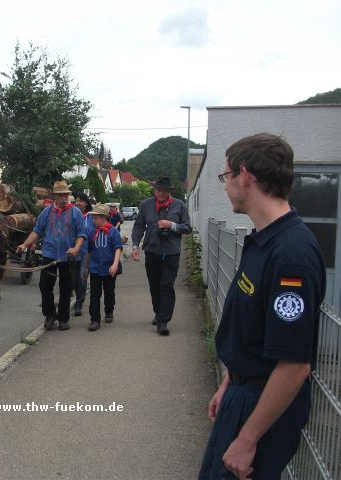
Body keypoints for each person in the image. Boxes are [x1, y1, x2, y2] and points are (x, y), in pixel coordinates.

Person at [199, 133, 325, 479]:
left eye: (225, 178)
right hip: (244, 391)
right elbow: (252, 331)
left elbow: (294, 365)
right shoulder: (264, 240)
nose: (225, 187)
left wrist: (248, 438)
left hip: (262, 403)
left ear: (245, 176)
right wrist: (230, 380)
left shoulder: (290, 255)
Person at [16, 180, 86, 331]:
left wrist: (76, 248)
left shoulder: (76, 212)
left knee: (66, 288)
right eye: (60, 195)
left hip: (68, 256)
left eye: (66, 195)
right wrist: (25, 244)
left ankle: (63, 319)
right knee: (45, 286)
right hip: (49, 254)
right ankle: (49, 316)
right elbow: (37, 231)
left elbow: (81, 234)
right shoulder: (46, 213)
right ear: (54, 196)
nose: (64, 198)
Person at [131, 176, 191, 335]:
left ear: (169, 191)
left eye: (164, 190)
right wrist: (135, 245)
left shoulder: (179, 205)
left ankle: (164, 321)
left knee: (167, 286)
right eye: (158, 190)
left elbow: (187, 227)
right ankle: (158, 312)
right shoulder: (146, 205)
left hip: (171, 252)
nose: (161, 193)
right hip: (151, 251)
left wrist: (171, 225)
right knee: (154, 286)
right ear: (154, 190)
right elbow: (138, 226)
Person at [84, 203, 123, 331]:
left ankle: (109, 311)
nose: (93, 220)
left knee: (109, 293)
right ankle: (94, 320)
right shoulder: (91, 233)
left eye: (95, 218)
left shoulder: (113, 232)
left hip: (109, 268)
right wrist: (86, 266)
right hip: (95, 268)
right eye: (92, 218)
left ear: (103, 218)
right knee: (94, 294)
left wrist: (115, 264)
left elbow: (118, 248)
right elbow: (89, 251)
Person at [73, 192, 94, 316]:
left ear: (85, 203)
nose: (77, 203)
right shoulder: (73, 215)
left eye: (80, 200)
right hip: (73, 251)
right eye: (76, 200)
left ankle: (78, 304)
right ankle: (78, 297)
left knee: (81, 278)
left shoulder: (91, 217)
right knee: (73, 279)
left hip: (86, 252)